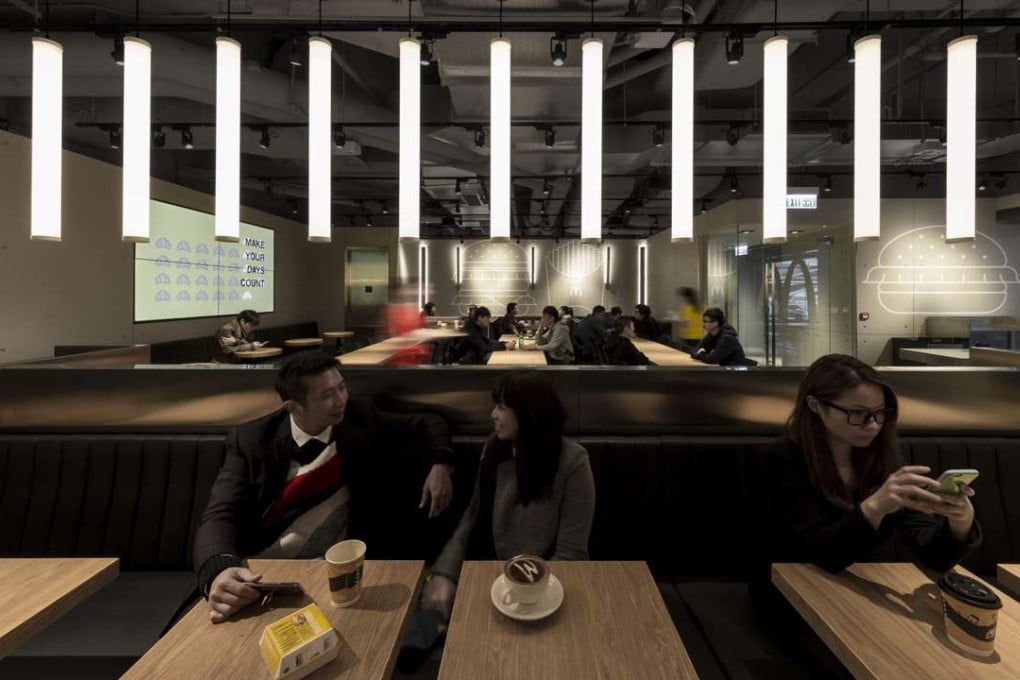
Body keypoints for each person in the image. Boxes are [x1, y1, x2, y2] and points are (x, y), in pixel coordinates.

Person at [747, 354, 981, 672]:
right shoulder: (782, 459)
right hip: (788, 596)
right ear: (815, 406)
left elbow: (933, 556)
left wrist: (960, 522)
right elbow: (815, 552)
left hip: (856, 591)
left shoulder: (882, 459)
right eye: (858, 414)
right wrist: (875, 506)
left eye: (879, 414)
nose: (872, 425)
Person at [193, 350, 457, 623]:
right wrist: (219, 569)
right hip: (261, 574)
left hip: (336, 573)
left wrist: (441, 464)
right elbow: (219, 514)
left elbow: (429, 422)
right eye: (326, 395)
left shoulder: (360, 417)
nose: (340, 400)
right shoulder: (252, 441)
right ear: (292, 407)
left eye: (341, 387)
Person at [421, 372, 596, 621]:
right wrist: (446, 571)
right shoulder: (494, 447)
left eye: (502, 408)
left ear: (529, 415)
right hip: (487, 570)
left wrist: (528, 593)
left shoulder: (572, 461)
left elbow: (571, 553)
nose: (493, 415)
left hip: (547, 582)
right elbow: (473, 512)